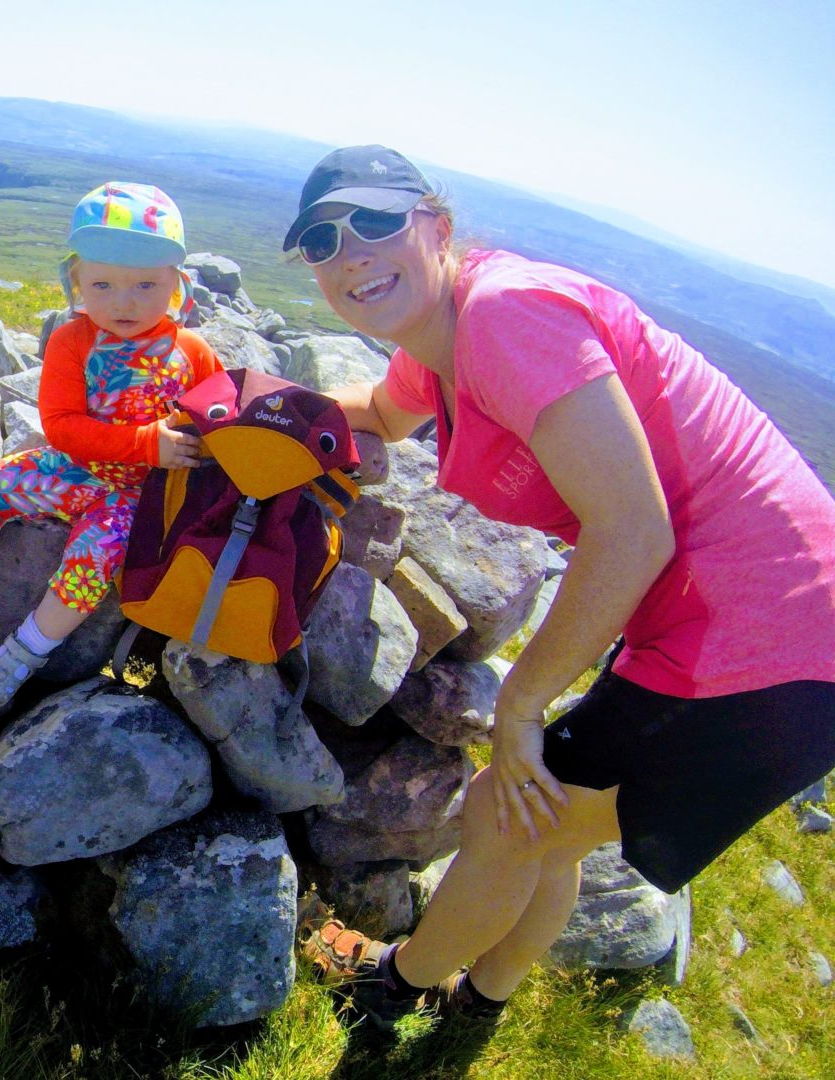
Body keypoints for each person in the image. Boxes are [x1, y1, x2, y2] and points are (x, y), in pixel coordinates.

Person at [285, 145, 835, 1027]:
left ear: (438, 225)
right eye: (320, 239)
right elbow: (385, 413)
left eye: (376, 221)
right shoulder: (444, 346)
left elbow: (633, 530)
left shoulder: (507, 316)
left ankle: (391, 986)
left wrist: (522, 706)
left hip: (765, 633)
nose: (350, 251)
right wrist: (262, 404)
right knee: (545, 813)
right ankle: (484, 998)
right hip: (729, 617)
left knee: (506, 813)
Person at [0, 181, 220, 711]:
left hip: (138, 496)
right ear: (75, 279)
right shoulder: (73, 340)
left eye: (145, 286)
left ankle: (23, 654)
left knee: (94, 557)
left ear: (177, 285)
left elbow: (219, 416)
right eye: (102, 285)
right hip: (71, 466)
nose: (123, 302)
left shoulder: (192, 351)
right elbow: (61, 425)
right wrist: (148, 442)